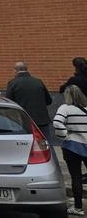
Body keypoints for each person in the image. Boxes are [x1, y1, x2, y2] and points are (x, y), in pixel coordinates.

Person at [53, 85, 87, 216]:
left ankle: (78, 207)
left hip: (72, 147)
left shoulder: (65, 108)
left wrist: (64, 135)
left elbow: (57, 122)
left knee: (76, 177)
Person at [5, 61, 54, 143]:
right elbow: (49, 101)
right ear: (27, 69)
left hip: (23, 121)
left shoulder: (13, 83)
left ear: (15, 70)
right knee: (46, 144)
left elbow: (9, 103)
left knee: (28, 145)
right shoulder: (38, 81)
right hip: (42, 119)